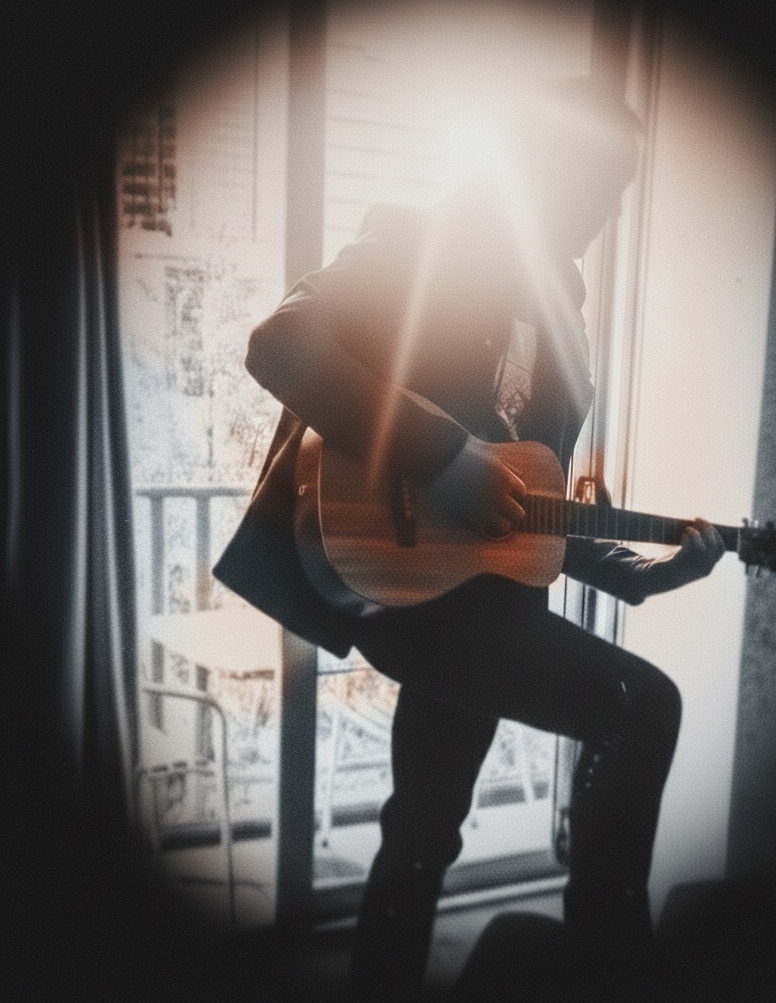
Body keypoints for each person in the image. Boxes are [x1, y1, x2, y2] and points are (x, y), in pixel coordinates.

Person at [213, 76, 725, 1000]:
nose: (605, 213)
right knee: (642, 708)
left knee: (421, 833)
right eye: (592, 185)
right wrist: (442, 457)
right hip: (414, 596)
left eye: (618, 192)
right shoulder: (418, 243)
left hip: (481, 593)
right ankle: (607, 971)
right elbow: (281, 342)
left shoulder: (561, 310)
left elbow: (520, 503)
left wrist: (637, 575)